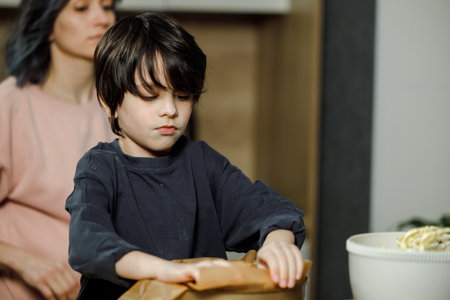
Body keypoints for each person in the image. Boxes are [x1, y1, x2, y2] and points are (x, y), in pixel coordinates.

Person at [65, 12, 306, 299]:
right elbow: (86, 242)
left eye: (182, 96)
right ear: (109, 101)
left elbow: (271, 211)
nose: (170, 109)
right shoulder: (100, 167)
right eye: (150, 95)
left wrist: (278, 242)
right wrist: (161, 270)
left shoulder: (202, 162)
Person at [0, 0, 117, 299]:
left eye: (107, 6)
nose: (101, 19)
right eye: (81, 8)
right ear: (48, 24)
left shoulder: (123, 108)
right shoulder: (11, 105)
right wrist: (26, 262)